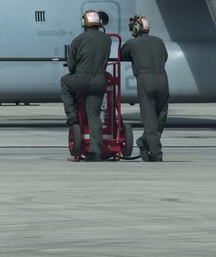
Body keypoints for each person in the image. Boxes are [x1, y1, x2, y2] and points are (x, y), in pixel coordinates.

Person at [60, 10, 112, 161]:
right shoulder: (107, 40)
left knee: (64, 81)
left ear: (84, 23)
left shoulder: (78, 40)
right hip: (99, 82)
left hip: (81, 79)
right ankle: (96, 152)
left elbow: (71, 65)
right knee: (94, 116)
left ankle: (72, 116)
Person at [120, 15, 169, 162]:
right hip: (162, 78)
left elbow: (122, 55)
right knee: (161, 115)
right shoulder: (159, 42)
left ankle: (155, 153)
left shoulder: (132, 44)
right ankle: (147, 141)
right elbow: (164, 57)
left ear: (136, 28)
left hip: (145, 79)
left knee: (149, 119)